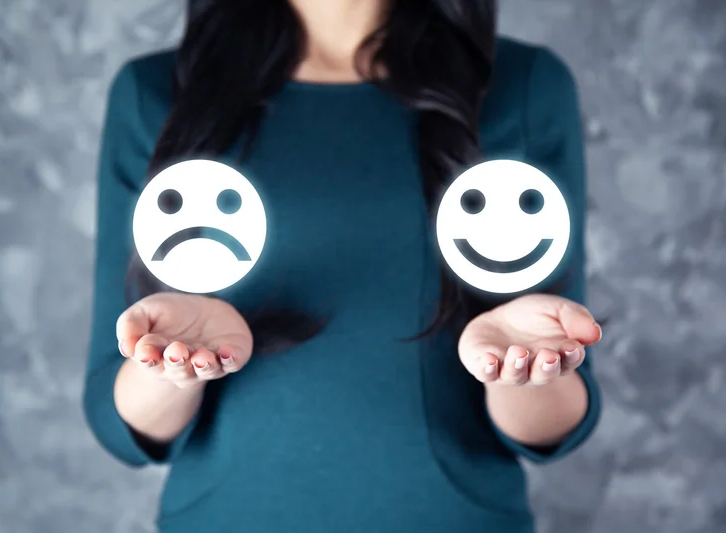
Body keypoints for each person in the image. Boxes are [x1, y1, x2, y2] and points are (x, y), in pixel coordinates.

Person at [82, 0, 603, 531]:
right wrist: (169, 363)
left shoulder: (524, 87)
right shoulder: (154, 94)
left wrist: (521, 370)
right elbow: (117, 419)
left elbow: (557, 424)